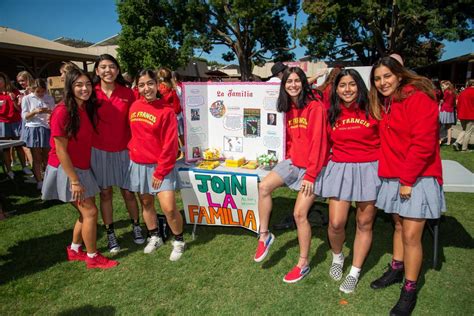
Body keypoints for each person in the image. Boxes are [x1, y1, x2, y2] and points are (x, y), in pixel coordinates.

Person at [368, 56, 445, 315]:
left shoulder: (417, 98)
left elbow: (423, 144)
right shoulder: (385, 103)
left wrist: (407, 180)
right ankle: (397, 268)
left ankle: (409, 289)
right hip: (393, 177)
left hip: (416, 177)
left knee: (412, 235)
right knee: (398, 226)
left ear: (399, 75)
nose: (382, 82)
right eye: (377, 79)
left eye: (387, 76)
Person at [254, 67, 329, 283]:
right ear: (283, 85)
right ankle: (265, 235)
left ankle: (303, 263)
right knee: (263, 187)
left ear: (303, 83)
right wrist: (287, 157)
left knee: (299, 214)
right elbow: (290, 139)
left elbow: (318, 143)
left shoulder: (315, 107)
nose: (293, 85)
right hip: (294, 162)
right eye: (289, 82)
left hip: (313, 168)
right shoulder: (289, 107)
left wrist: (311, 175)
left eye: (297, 81)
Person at [41, 68, 118, 269]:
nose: (85, 89)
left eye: (87, 84)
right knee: (90, 212)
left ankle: (75, 249)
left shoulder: (83, 107)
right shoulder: (62, 111)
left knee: (86, 212)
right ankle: (92, 256)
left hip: (80, 168)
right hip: (67, 170)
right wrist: (74, 180)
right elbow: (60, 150)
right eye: (79, 85)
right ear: (70, 87)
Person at [322, 69, 380, 293]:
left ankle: (355, 271)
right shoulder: (332, 113)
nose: (348, 89)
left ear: (360, 86)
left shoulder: (373, 109)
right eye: (342, 85)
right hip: (340, 168)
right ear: (336, 89)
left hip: (368, 169)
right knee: (336, 222)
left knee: (364, 224)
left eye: (352, 84)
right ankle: (338, 257)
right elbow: (324, 142)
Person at [123, 69, 185, 261]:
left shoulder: (166, 111)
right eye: (141, 85)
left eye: (150, 83)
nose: (146, 88)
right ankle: (155, 235)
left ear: (158, 85)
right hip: (139, 164)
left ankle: (179, 240)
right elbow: (133, 134)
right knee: (146, 203)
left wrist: (160, 172)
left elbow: (170, 145)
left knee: (168, 207)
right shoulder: (133, 107)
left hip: (161, 166)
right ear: (137, 87)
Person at [91, 54, 144, 253]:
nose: (107, 70)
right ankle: (110, 233)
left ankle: (136, 226)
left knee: (129, 193)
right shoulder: (91, 93)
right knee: (105, 193)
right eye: (103, 67)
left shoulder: (128, 93)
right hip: (100, 151)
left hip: (124, 150)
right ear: (97, 71)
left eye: (112, 66)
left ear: (118, 70)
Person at [21, 79, 55, 190]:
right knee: (36, 157)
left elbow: (54, 112)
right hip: (34, 128)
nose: (40, 94)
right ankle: (39, 181)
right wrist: (35, 111)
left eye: (42, 91)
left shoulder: (49, 98)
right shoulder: (27, 98)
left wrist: (48, 111)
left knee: (47, 156)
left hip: (46, 128)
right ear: (32, 89)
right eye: (38, 92)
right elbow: (24, 116)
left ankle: (48, 178)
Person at [0, 72, 24, 179]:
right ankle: (9, 170)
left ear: (5, 80)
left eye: (0, 80)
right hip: (2, 122)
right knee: (5, 148)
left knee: (18, 145)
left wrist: (14, 99)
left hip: (15, 120)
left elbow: (19, 109)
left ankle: (24, 167)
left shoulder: (14, 91)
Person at [16, 71, 35, 174]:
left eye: (23, 80)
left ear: (28, 78)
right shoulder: (23, 92)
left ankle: (36, 172)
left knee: (28, 146)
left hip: (31, 120)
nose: (21, 83)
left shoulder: (33, 90)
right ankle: (37, 171)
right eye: (19, 81)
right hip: (25, 120)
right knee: (27, 146)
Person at [452, 79, 474, 151]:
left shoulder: (462, 92)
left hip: (462, 114)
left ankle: (457, 142)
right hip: (471, 114)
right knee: (468, 132)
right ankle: (464, 148)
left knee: (464, 130)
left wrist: (458, 113)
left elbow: (458, 103)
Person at [439, 80, 456, 145]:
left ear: (448, 85)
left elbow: (443, 100)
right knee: (449, 127)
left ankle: (440, 139)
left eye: (443, 86)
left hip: (444, 110)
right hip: (450, 110)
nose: (442, 87)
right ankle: (449, 142)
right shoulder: (453, 92)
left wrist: (441, 101)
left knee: (441, 125)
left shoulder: (446, 92)